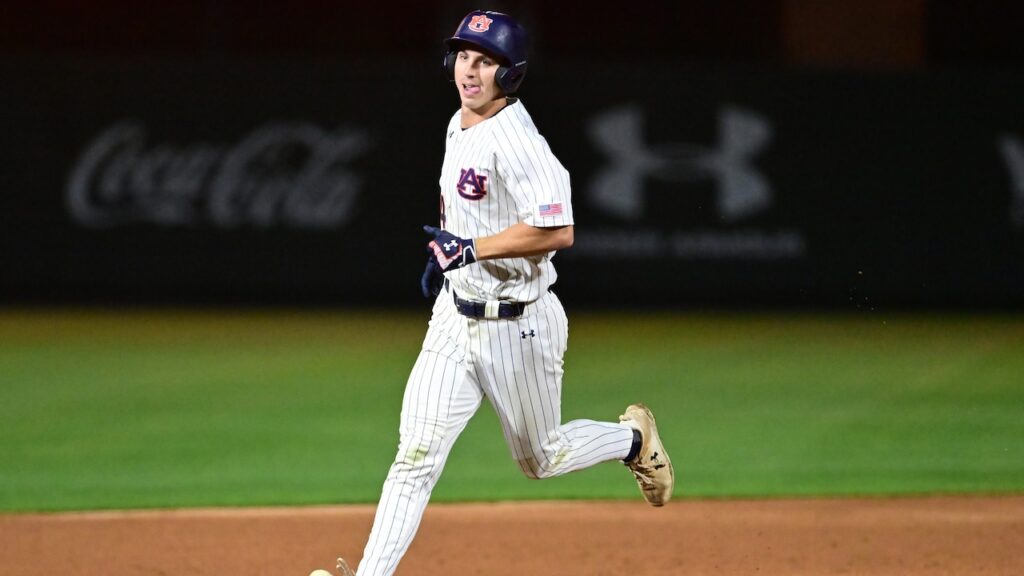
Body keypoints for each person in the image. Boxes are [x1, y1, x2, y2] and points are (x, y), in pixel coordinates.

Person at [331, 10, 674, 576]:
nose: (470, 70)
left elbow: (559, 230)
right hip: (453, 317)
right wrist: (455, 256)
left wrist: (473, 248)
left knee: (543, 459)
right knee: (414, 457)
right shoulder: (457, 121)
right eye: (464, 55)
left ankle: (630, 440)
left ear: (509, 74)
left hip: (519, 324)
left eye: (485, 61)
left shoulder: (519, 143)